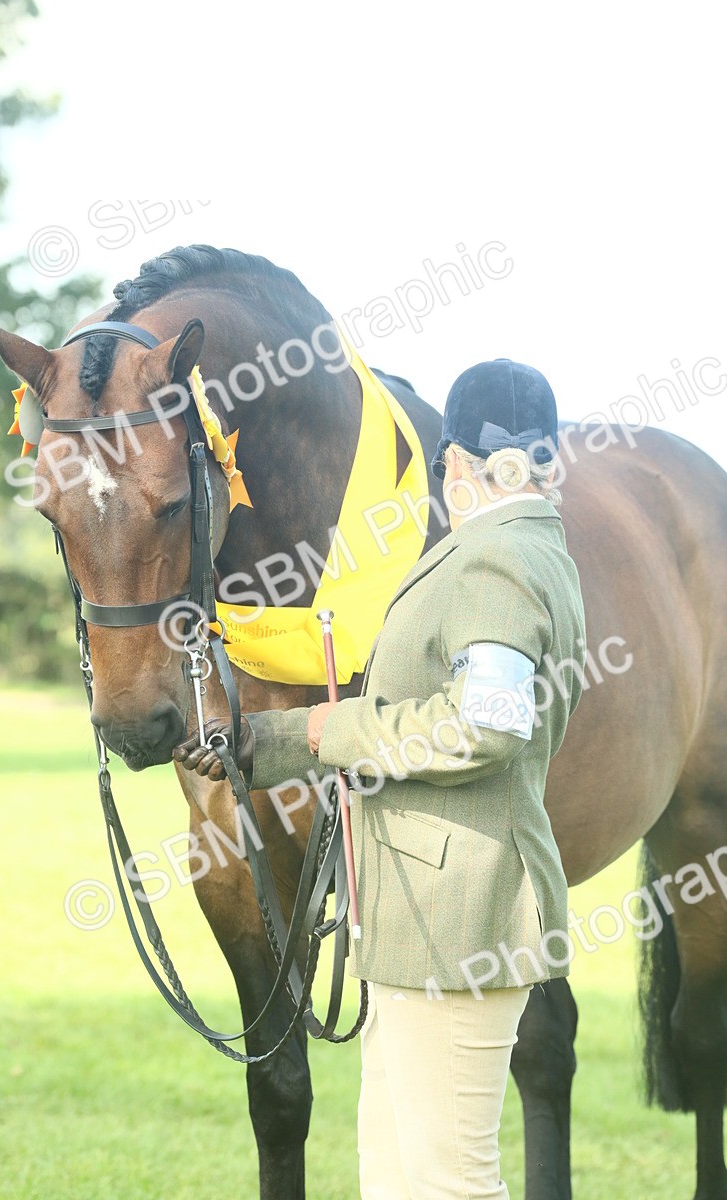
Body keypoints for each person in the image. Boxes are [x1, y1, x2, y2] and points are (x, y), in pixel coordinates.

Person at [175, 357, 587, 1199]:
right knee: (393, 1176)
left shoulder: (495, 562)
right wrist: (267, 742)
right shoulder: (516, 547)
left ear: (454, 464)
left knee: (447, 1181)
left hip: (458, 920)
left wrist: (322, 728)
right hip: (415, 919)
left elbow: (487, 724)